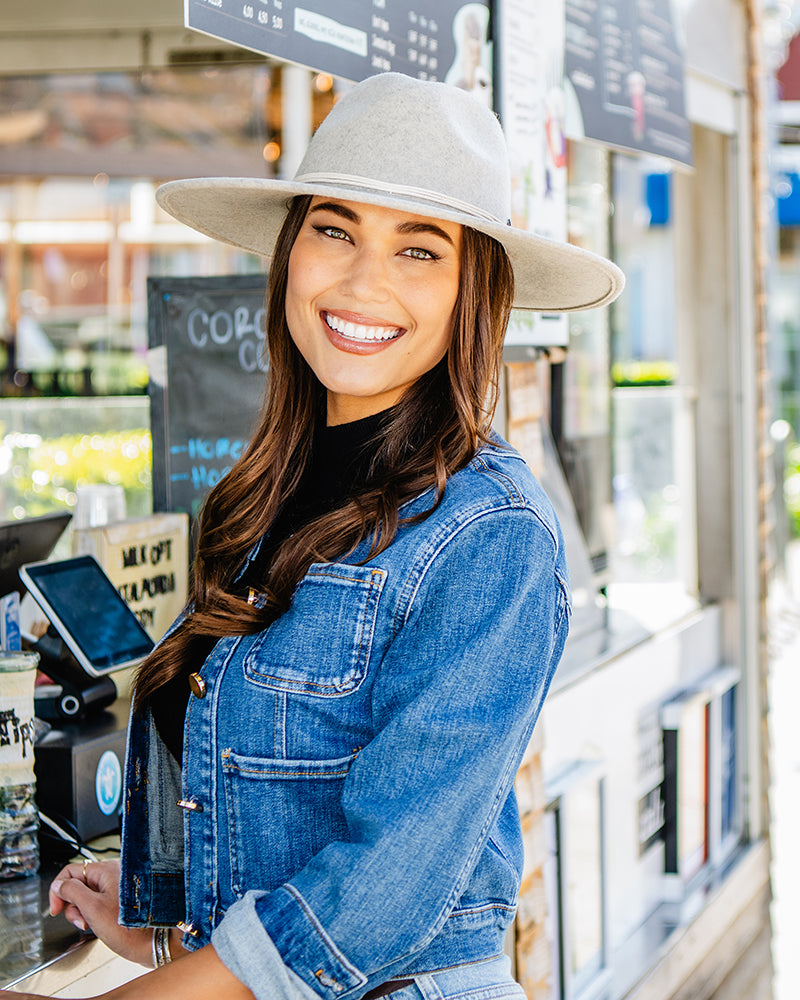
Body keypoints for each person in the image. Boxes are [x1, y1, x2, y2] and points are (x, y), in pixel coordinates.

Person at [6, 72, 622, 1000]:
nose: (364, 281)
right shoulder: (264, 501)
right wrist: (165, 931)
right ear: (292, 253)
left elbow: (386, 887)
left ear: (472, 294)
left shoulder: (490, 533)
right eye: (335, 230)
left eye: (420, 252)